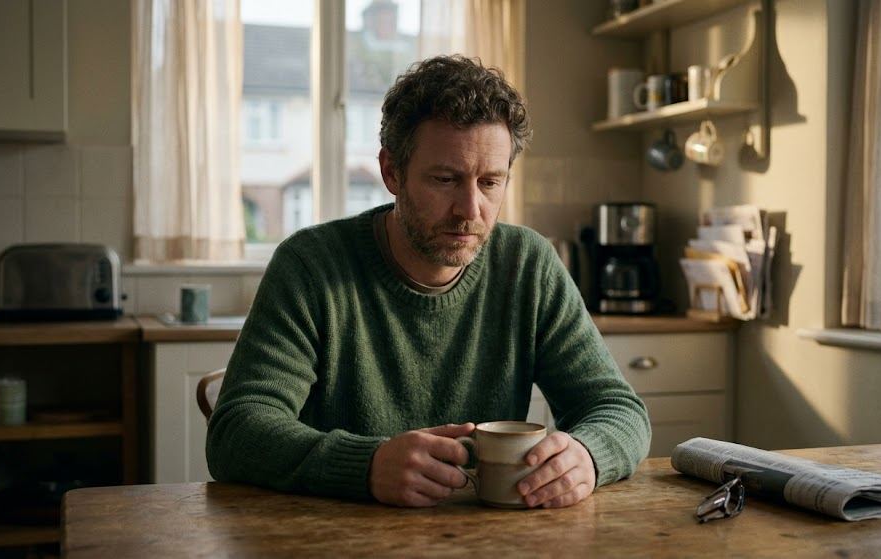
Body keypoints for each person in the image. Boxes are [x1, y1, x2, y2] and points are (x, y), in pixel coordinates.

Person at [207, 55, 651, 509]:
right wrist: (367, 465)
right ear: (391, 172)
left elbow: (619, 410)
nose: (470, 209)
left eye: (490, 182)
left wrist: (587, 455)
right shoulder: (311, 265)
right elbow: (236, 432)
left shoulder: (529, 264)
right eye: (445, 179)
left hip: (486, 537)